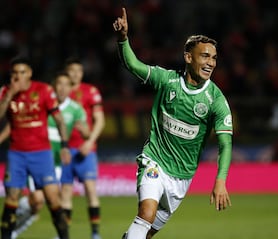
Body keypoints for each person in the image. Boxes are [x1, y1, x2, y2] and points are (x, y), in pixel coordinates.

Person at [113, 7, 233, 239]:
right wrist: (123, 39)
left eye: (214, 58)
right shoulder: (167, 81)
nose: (211, 63)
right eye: (205, 56)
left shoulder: (216, 100)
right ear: (188, 57)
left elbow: (225, 144)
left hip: (182, 177)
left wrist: (221, 180)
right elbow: (134, 65)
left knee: (146, 233)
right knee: (146, 214)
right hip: (154, 160)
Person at [0, 57, 71, 239]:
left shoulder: (43, 91)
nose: (18, 76)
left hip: (41, 154)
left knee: (53, 200)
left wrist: (64, 145)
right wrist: (9, 95)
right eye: (14, 73)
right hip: (17, 154)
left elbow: (60, 120)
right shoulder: (5, 92)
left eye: (22, 72)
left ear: (29, 73)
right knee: (11, 199)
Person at [62, 57, 105, 239]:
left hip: (85, 149)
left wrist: (89, 141)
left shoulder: (90, 91)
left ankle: (95, 234)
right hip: (64, 150)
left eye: (79, 71)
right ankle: (63, 234)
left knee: (90, 189)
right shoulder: (59, 92)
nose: (76, 74)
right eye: (72, 70)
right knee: (65, 192)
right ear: (66, 72)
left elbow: (100, 120)